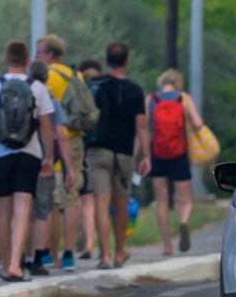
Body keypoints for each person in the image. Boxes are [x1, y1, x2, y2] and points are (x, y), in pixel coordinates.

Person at [0, 40, 55, 282]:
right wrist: (49, 156)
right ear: (27, 61)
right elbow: (47, 127)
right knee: (22, 210)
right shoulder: (38, 87)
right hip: (29, 155)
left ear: (5, 60)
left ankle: (5, 263)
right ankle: (16, 265)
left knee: (2, 212)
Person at [87, 42, 150, 269]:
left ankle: (104, 256)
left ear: (106, 61)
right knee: (121, 204)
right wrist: (147, 156)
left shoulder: (96, 85)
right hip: (124, 154)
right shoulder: (134, 90)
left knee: (101, 203)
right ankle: (120, 252)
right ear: (127, 62)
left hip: (98, 151)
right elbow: (142, 125)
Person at [36, 34, 86, 272]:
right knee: (72, 197)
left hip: (57, 141)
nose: (36, 56)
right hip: (76, 140)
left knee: (54, 201)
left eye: (39, 51)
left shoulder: (51, 77)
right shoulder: (77, 75)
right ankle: (69, 253)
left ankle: (53, 255)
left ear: (49, 54)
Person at [24, 61, 75, 276]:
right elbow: (61, 137)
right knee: (43, 211)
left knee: (22, 211)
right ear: (46, 78)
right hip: (46, 162)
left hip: (22, 158)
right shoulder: (52, 101)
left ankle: (21, 256)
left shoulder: (19, 97)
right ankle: (38, 258)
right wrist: (68, 167)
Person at [147, 68, 204, 255]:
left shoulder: (151, 99)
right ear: (178, 82)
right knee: (185, 200)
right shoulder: (184, 98)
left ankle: (167, 246)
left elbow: (144, 129)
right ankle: (184, 222)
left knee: (161, 199)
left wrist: (141, 155)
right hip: (179, 153)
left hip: (158, 153)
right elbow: (197, 123)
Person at [77, 60, 102, 260]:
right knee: (90, 201)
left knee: (79, 198)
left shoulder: (79, 91)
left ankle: (81, 241)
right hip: (98, 149)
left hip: (79, 147)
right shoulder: (102, 90)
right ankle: (89, 243)